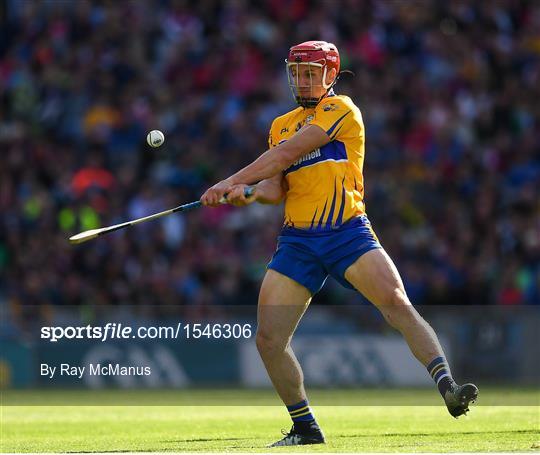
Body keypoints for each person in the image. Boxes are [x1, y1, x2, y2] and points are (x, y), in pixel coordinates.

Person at [201, 40, 478, 447]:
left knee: (397, 304)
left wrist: (231, 180)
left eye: (311, 72)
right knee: (269, 340)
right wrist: (248, 194)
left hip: (347, 231)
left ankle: (448, 388)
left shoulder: (342, 109)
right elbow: (277, 186)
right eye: (296, 72)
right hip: (297, 241)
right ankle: (305, 427)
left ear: (331, 75)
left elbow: (289, 153)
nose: (303, 79)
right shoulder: (280, 123)